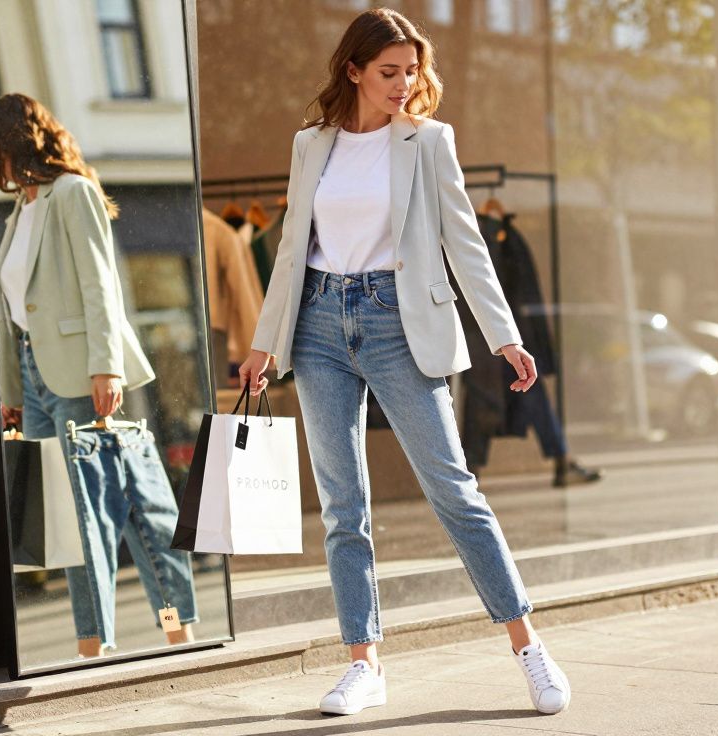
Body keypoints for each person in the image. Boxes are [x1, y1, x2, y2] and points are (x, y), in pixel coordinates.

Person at [238, 8, 571, 718]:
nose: (404, 83)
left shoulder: (428, 141)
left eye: (412, 70)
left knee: (455, 491)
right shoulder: (311, 145)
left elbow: (465, 244)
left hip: (398, 322)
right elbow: (293, 249)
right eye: (389, 71)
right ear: (352, 70)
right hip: (320, 326)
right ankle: (364, 664)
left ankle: (528, 647)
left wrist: (502, 336)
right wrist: (265, 344)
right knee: (341, 507)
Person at [0, 93, 197, 657]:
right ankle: (113, 637)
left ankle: (134, 635)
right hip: (34, 383)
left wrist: (106, 366)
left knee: (103, 511)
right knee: (79, 514)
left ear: (11, 145)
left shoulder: (71, 194)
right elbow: (12, 314)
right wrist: (12, 393)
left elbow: (100, 286)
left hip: (82, 376)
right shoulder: (19, 213)